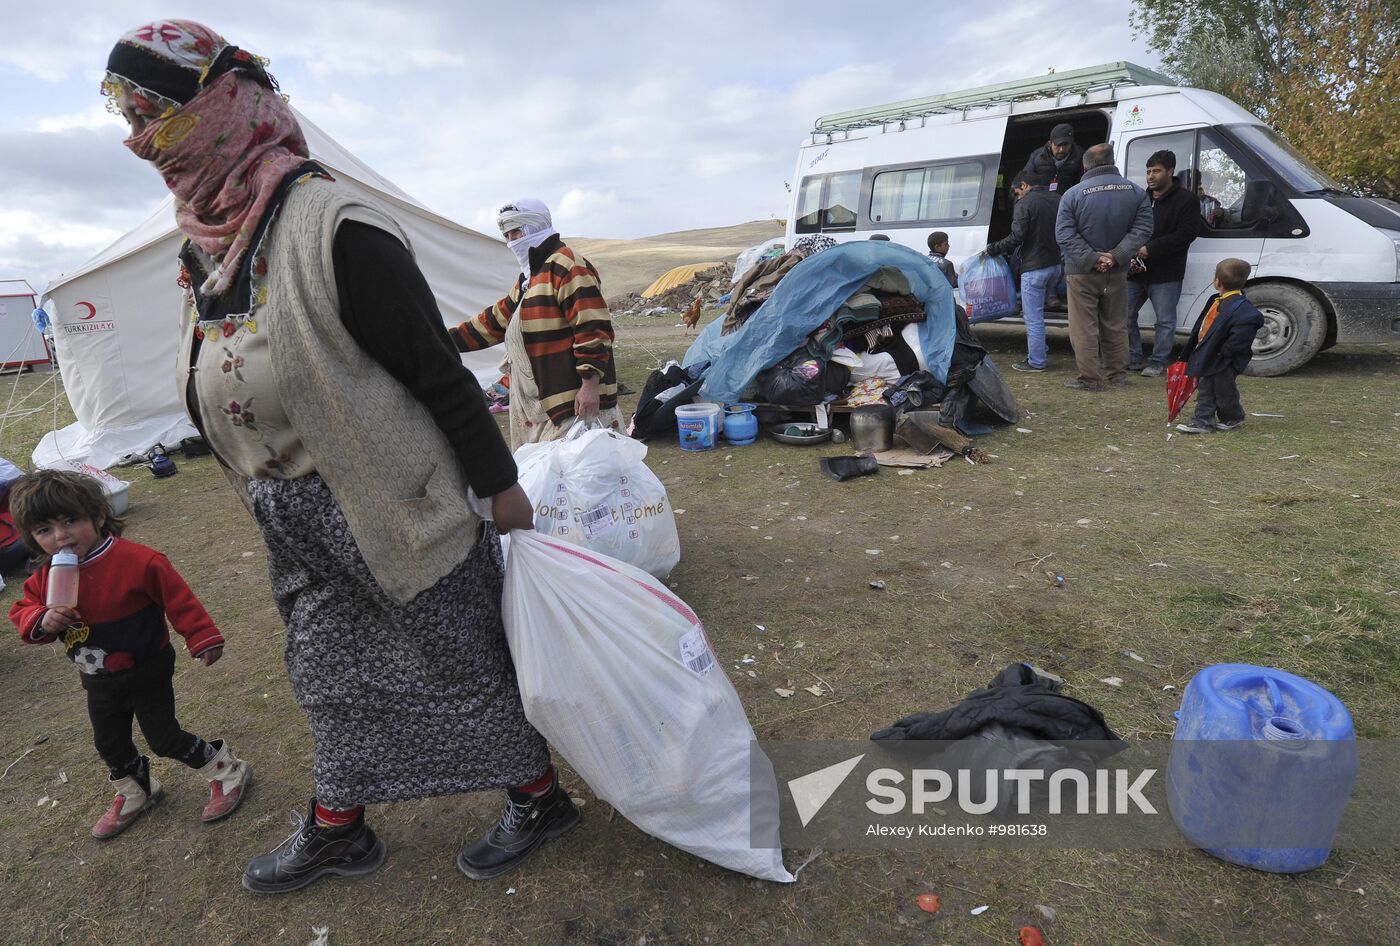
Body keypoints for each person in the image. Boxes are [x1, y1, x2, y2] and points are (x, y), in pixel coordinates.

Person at [103, 20, 578, 893]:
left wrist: (501, 487)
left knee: (460, 662)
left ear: (220, 107)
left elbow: (436, 372)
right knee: (326, 672)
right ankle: (339, 827)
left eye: (156, 115)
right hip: (292, 509)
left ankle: (540, 797)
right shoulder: (205, 237)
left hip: (393, 499)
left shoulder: (339, 226)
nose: (139, 139)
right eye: (127, 116)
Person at [7, 470, 250, 840]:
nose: (60, 537)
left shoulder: (139, 561)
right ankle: (139, 789)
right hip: (97, 678)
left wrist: (201, 636)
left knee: (164, 738)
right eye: (44, 530)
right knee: (109, 742)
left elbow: (178, 598)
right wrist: (43, 618)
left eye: (70, 521)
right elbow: (23, 612)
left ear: (99, 515)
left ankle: (227, 770)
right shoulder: (44, 577)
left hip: (146, 668)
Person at [450, 199, 620, 448]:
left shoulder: (567, 265)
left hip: (571, 399)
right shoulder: (530, 280)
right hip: (540, 401)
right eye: (507, 235)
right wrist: (439, 339)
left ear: (535, 228)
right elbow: (493, 322)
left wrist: (590, 384)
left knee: (582, 476)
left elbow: (592, 327)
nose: (511, 241)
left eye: (516, 232)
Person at [1054, 143, 1154, 391]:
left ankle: (1090, 378)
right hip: (1117, 271)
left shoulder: (1073, 194)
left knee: (1083, 327)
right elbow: (1143, 229)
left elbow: (1064, 234)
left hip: (1081, 272)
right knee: (1116, 323)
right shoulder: (1136, 192)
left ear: (1085, 165)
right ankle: (1117, 375)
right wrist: (1116, 256)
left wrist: (1092, 258)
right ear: (1112, 161)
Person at [1126, 150, 1202, 376]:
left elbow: (1187, 234)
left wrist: (1151, 248)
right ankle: (1133, 357)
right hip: (1135, 270)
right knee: (1124, 314)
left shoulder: (1187, 200)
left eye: (1156, 171)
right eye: (1148, 171)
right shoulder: (1141, 197)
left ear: (1170, 171)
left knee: (1165, 321)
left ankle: (1158, 361)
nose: (1151, 176)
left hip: (1166, 272)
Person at [1175, 259, 1265, 434]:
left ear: (1217, 281)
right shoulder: (1214, 300)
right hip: (1208, 355)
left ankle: (1206, 421)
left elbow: (1239, 340)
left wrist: (1223, 353)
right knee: (1214, 388)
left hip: (1223, 359)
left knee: (1221, 390)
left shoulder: (1245, 312)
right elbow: (1201, 326)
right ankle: (1227, 417)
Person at [984, 171, 1061, 371]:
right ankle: (1040, 349)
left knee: (1033, 317)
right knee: (1039, 313)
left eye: (1017, 192)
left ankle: (1036, 361)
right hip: (1056, 265)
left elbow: (1017, 236)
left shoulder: (1025, 203)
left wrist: (993, 248)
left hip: (1035, 267)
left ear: (1024, 185)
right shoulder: (1058, 198)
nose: (1017, 196)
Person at [1021, 123, 1085, 194]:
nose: (1061, 150)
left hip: (1069, 196)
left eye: (1066, 145)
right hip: (1043, 197)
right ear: (1050, 143)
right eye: (1058, 145)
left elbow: (1084, 182)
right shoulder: (1037, 156)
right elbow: (1025, 180)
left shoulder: (1080, 155)